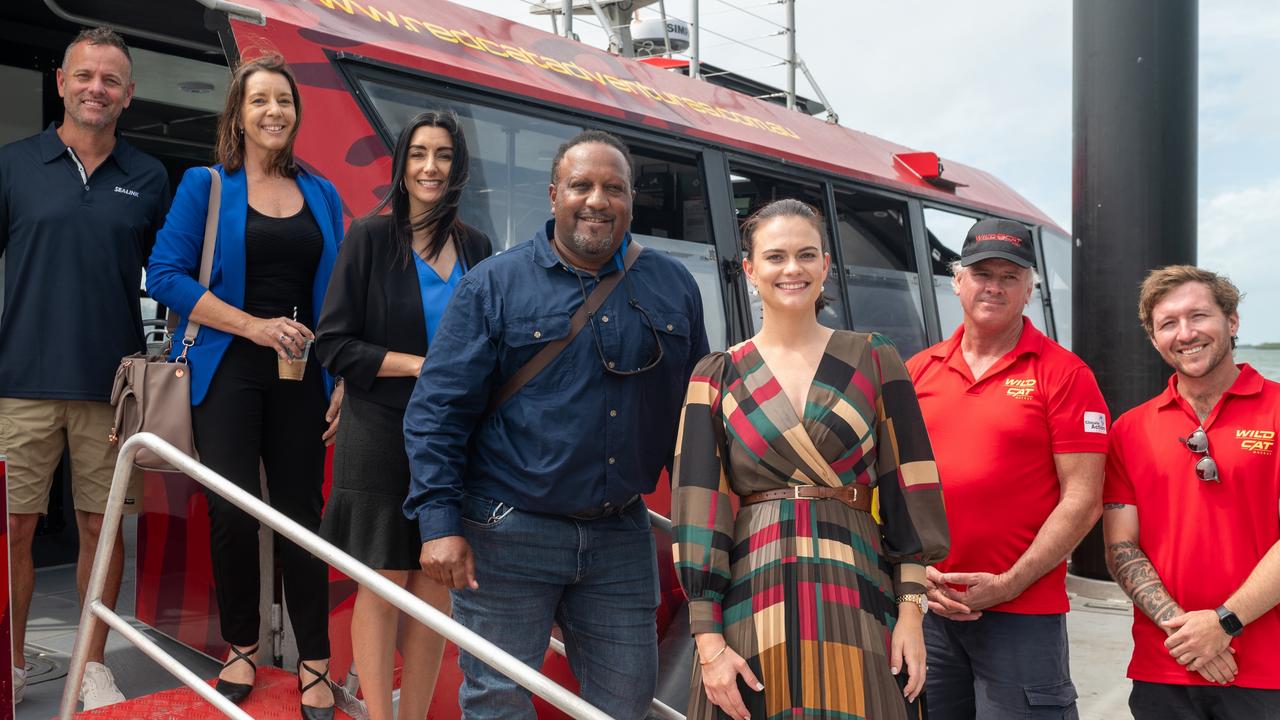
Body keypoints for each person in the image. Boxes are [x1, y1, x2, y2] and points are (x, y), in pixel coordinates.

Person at [402, 128, 709, 718]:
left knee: (624, 704)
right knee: (499, 703)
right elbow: (437, 412)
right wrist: (438, 523)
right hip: (506, 531)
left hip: (621, 536)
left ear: (629, 201)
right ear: (553, 195)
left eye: (612, 188)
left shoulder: (673, 285)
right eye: (581, 185)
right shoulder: (493, 284)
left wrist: (706, 522)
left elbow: (691, 419)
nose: (597, 200)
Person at [671, 199, 949, 720]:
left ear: (825, 265)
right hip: (751, 598)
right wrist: (708, 643)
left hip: (859, 587)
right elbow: (697, 511)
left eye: (806, 254)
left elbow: (909, 490)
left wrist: (911, 613)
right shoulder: (716, 375)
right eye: (775, 257)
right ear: (750, 270)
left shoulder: (874, 357)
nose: (792, 269)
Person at [146, 54, 343, 719]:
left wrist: (339, 373)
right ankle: (241, 645)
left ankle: (315, 659)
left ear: (296, 111)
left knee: (301, 517)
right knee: (231, 513)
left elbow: (340, 296)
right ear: (239, 111)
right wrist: (254, 327)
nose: (274, 112)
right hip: (227, 367)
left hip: (302, 373)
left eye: (284, 101)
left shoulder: (322, 194)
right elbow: (165, 275)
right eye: (259, 100)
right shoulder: (206, 185)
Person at [0, 26, 169, 709]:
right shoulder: (13, 165)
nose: (95, 88)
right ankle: (9, 664)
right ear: (63, 82)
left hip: (111, 386)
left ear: (127, 96)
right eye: (84, 76)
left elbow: (177, 275)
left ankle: (91, 666)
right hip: (19, 383)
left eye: (110, 80)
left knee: (102, 530)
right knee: (14, 529)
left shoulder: (150, 177)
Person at [315, 110, 492, 720]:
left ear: (458, 167)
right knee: (384, 580)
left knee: (433, 582)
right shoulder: (368, 237)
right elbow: (334, 342)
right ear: (401, 163)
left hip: (451, 436)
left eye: (443, 155)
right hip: (380, 430)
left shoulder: (477, 247)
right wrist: (421, 366)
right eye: (419, 154)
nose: (430, 167)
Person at [905, 218, 1109, 719]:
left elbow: (1084, 500)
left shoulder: (1065, 374)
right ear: (957, 282)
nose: (993, 286)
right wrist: (915, 576)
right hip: (929, 607)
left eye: (1010, 276)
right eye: (981, 273)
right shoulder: (918, 371)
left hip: (1023, 613)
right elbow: (895, 489)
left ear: (1029, 290)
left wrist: (1010, 583)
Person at [1102, 266, 1280, 719]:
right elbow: (1121, 546)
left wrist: (1225, 622)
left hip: (1267, 671)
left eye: (1198, 316)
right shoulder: (1130, 430)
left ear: (1232, 321)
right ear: (1154, 337)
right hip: (1166, 666)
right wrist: (1189, 636)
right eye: (1168, 323)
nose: (1186, 334)